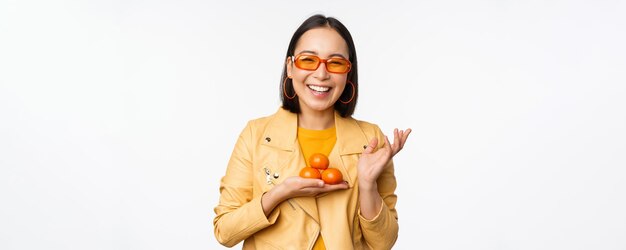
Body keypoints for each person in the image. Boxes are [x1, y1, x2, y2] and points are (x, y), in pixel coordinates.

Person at [213, 14, 411, 250]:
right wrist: (280, 193)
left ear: (348, 73)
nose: (321, 74)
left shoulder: (370, 140)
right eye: (308, 60)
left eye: (335, 63)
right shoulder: (256, 135)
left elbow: (384, 243)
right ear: (290, 67)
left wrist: (367, 184)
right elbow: (225, 232)